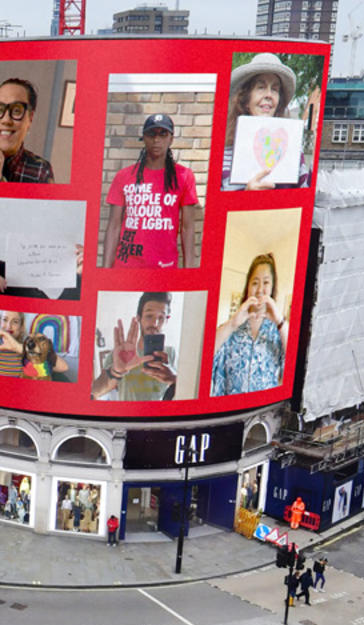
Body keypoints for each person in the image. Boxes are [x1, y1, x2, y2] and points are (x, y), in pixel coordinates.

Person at [103, 114, 200, 269]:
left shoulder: (183, 176)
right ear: (144, 138)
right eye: (151, 134)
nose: (157, 140)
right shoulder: (124, 176)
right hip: (126, 265)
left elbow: (187, 228)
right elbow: (114, 225)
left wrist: (189, 272)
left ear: (171, 139)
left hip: (164, 266)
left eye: (163, 134)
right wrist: (105, 270)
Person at [221, 53, 307, 191]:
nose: (268, 95)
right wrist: (245, 195)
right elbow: (217, 206)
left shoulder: (293, 148)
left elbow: (305, 195)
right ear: (246, 99)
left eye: (274, 89)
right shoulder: (224, 151)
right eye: (261, 87)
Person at [210, 253, 287, 396]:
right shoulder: (232, 326)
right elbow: (206, 354)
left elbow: (296, 366)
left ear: (272, 287)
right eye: (255, 283)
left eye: (266, 283)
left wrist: (280, 322)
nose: (259, 290)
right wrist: (233, 323)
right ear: (248, 287)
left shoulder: (278, 329)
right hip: (231, 412)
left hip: (263, 412)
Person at [93, 292, 178, 402]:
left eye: (161, 317)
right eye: (149, 316)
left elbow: (188, 391)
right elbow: (95, 391)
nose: (155, 323)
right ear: (139, 318)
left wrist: (174, 379)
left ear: (166, 320)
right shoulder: (119, 355)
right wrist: (116, 372)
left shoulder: (171, 353)